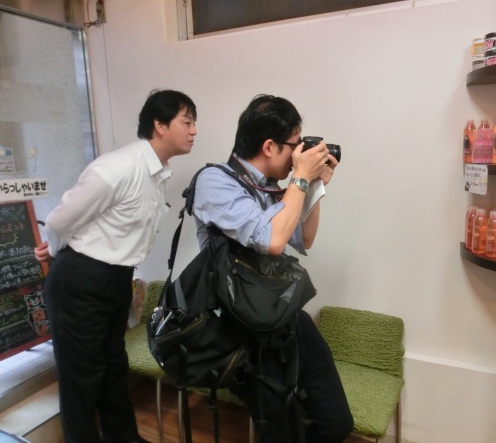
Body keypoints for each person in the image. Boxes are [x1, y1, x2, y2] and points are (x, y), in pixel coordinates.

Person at [34, 89, 197, 443]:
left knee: (113, 367)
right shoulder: (119, 167)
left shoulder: (158, 172)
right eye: (187, 122)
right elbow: (59, 221)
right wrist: (57, 253)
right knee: (82, 379)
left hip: (115, 278)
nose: (193, 130)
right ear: (159, 124)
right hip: (81, 279)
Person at [192, 94, 353, 442]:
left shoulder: (271, 188)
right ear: (269, 146)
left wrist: (313, 183)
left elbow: (305, 237)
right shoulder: (214, 181)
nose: (298, 155)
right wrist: (300, 178)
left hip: (287, 317)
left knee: (337, 422)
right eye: (294, 145)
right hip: (243, 330)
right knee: (281, 432)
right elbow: (273, 240)